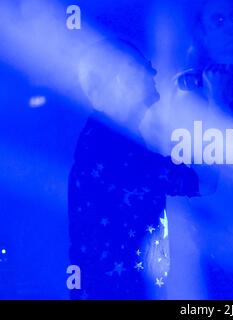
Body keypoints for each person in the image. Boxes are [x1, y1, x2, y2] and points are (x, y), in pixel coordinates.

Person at [68, 39, 200, 300]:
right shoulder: (107, 144)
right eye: (142, 66)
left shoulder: (112, 138)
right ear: (116, 77)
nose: (153, 73)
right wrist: (213, 106)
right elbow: (200, 182)